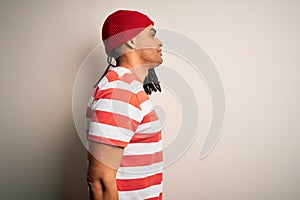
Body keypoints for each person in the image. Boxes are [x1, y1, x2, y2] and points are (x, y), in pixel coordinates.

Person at [85, 10, 164, 200]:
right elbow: (100, 182)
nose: (159, 42)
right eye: (152, 34)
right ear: (130, 41)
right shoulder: (120, 92)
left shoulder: (126, 88)